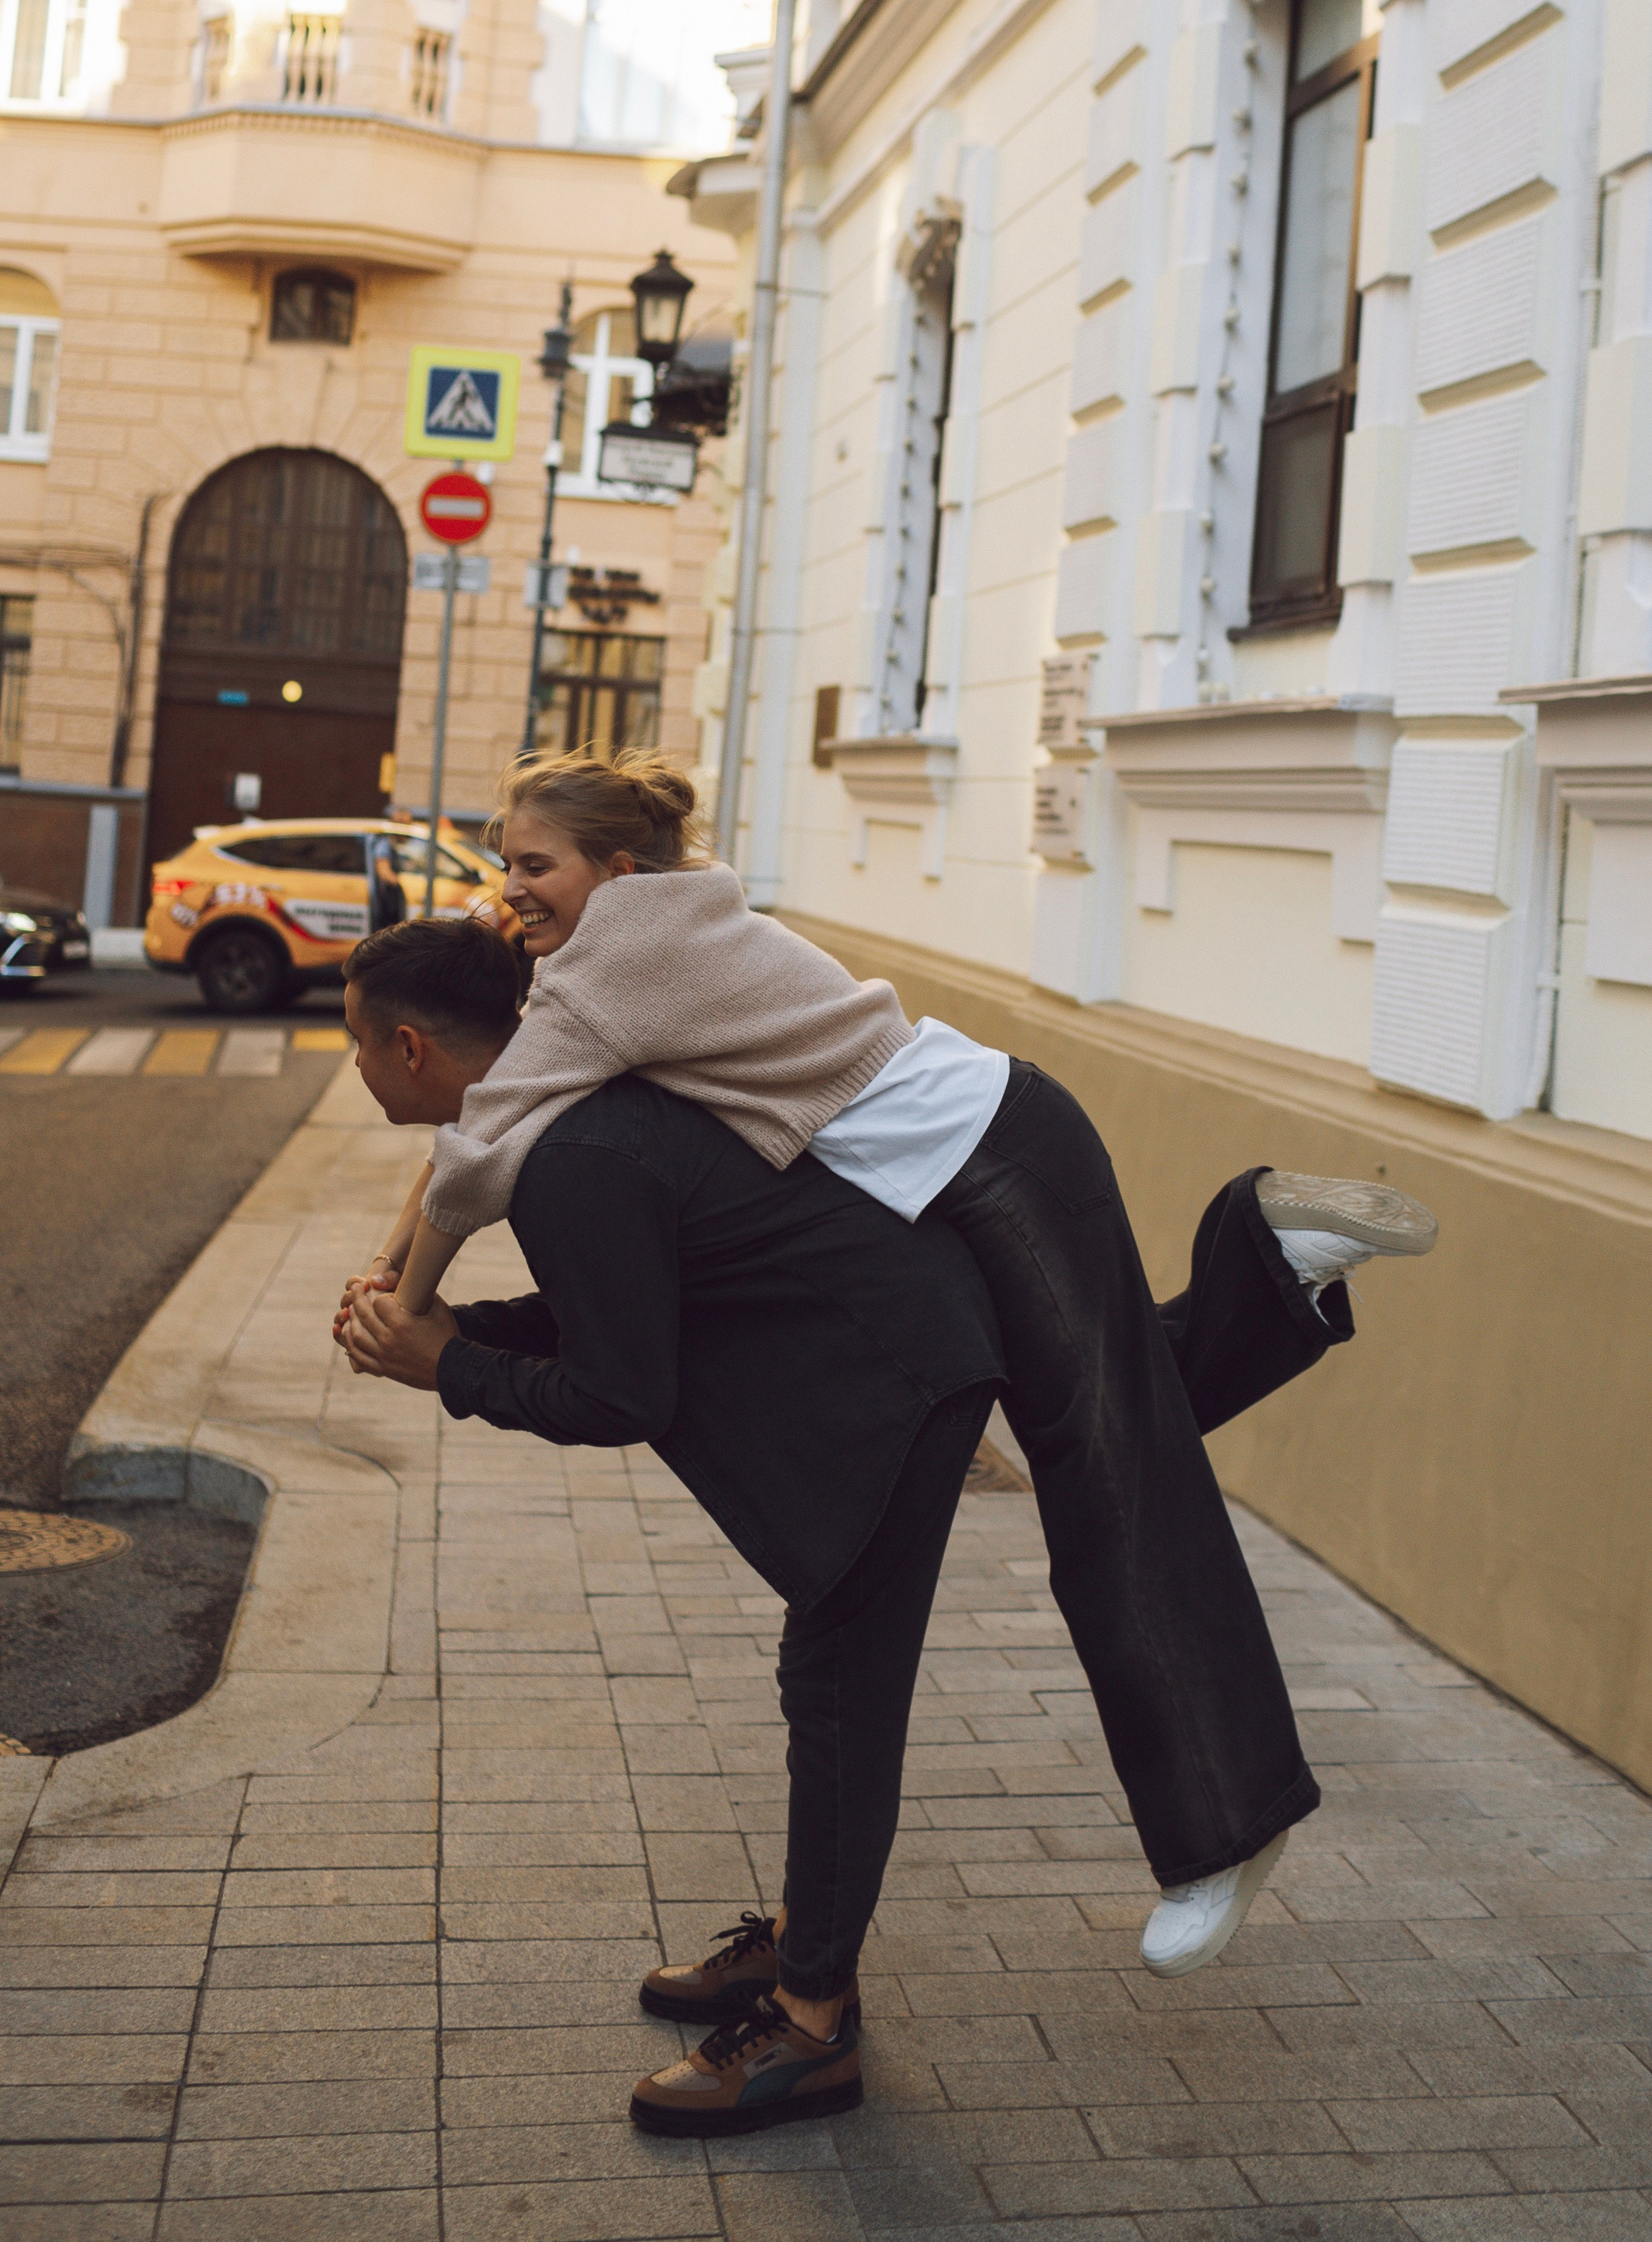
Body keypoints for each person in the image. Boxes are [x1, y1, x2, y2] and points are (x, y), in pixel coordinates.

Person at [348, 749, 1437, 1985]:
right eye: (504, 864)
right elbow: (486, 1124)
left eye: (534, 864)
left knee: (1108, 1480)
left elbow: (476, 1147)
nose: (511, 889)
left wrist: (407, 1303)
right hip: (958, 1166)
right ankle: (1273, 1266)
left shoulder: (609, 966)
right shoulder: (637, 941)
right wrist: (399, 1283)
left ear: (622, 871)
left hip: (989, 1153)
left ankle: (1226, 1827)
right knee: (1110, 1416)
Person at [339, 914, 997, 2136]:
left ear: (415, 1048)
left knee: (842, 1691)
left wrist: (450, 1370)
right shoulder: (562, 1131)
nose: (357, 1067)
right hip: (875, 1365)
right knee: (828, 1683)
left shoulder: (570, 1154)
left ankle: (812, 2028)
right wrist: (461, 1333)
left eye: (355, 1045)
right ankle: (809, 1939)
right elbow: (622, 1294)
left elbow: (619, 1392)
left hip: (889, 1391)